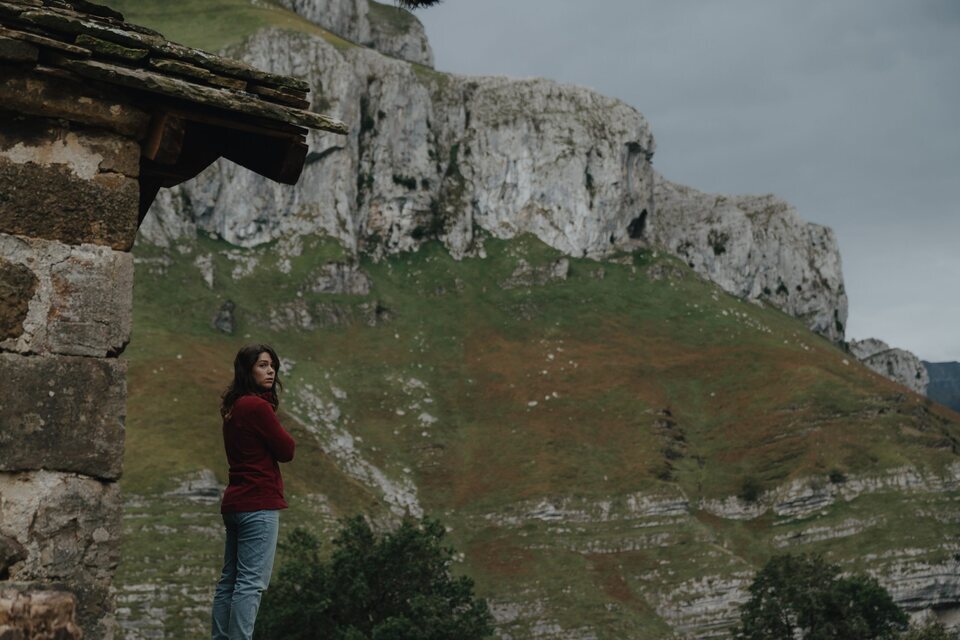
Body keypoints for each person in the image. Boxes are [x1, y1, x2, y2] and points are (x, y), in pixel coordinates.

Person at [211, 344, 296, 640]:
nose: (270, 370)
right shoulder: (257, 407)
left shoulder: (234, 407)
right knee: (250, 583)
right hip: (258, 504)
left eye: (272, 365)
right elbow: (287, 450)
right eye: (262, 365)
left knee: (229, 580)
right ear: (247, 371)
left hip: (235, 503)